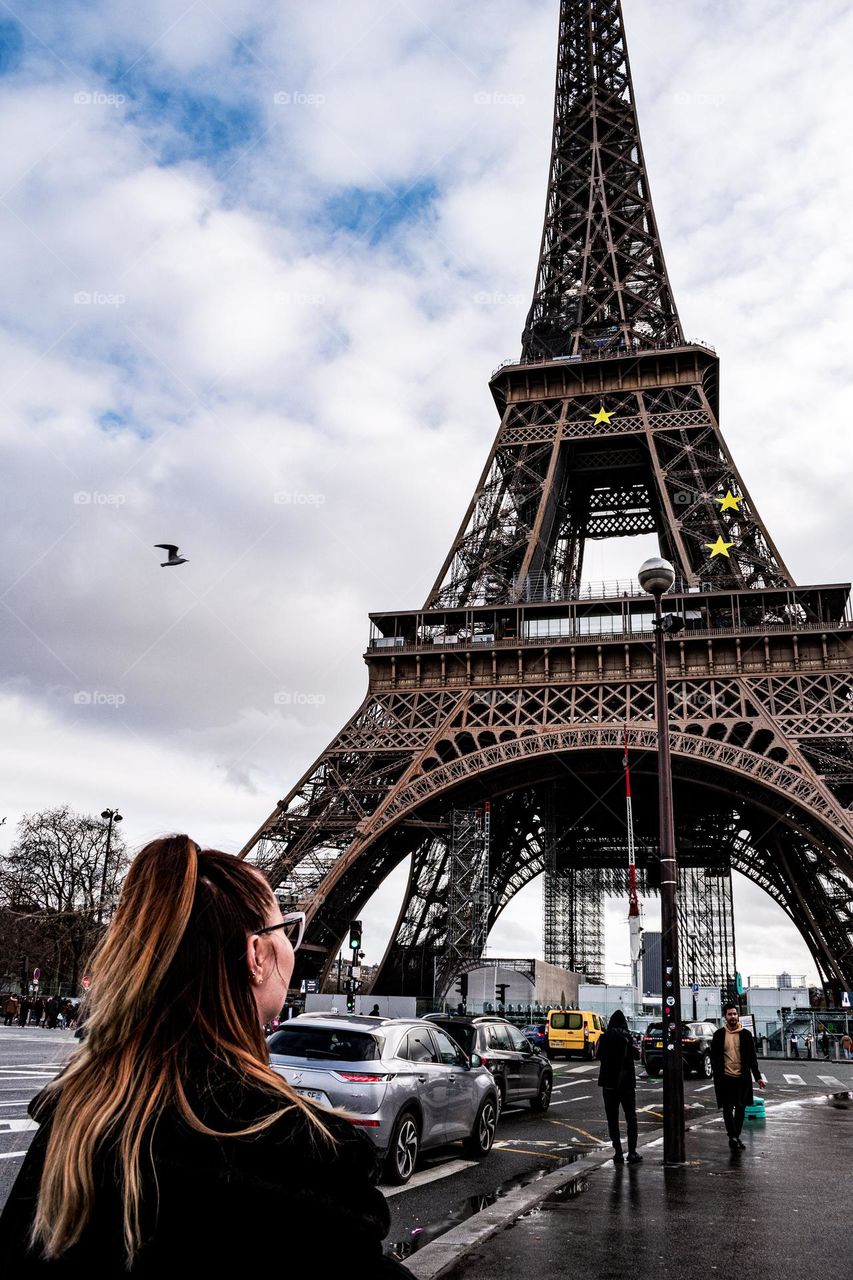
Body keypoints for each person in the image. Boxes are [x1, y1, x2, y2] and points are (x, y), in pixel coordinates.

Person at [0, 835, 415, 1276]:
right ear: (256, 953)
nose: (292, 949)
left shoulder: (78, 1121)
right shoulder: (302, 1159)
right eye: (287, 929)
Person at [710, 1003, 765, 1151]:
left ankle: (736, 1136)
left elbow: (752, 1058)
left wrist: (758, 1077)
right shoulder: (719, 1035)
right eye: (730, 1014)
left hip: (742, 1078)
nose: (733, 1017)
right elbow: (714, 1056)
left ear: (738, 1016)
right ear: (725, 1017)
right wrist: (716, 1072)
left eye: (735, 1014)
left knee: (740, 1108)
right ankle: (732, 1136)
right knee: (727, 1109)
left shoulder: (746, 1035)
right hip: (725, 1078)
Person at [595, 1009, 642, 1166]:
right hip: (626, 1083)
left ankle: (618, 1152)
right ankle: (632, 1152)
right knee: (631, 1117)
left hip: (608, 1084)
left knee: (612, 1119)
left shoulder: (604, 1037)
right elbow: (637, 1055)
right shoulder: (628, 1037)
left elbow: (597, 1054)